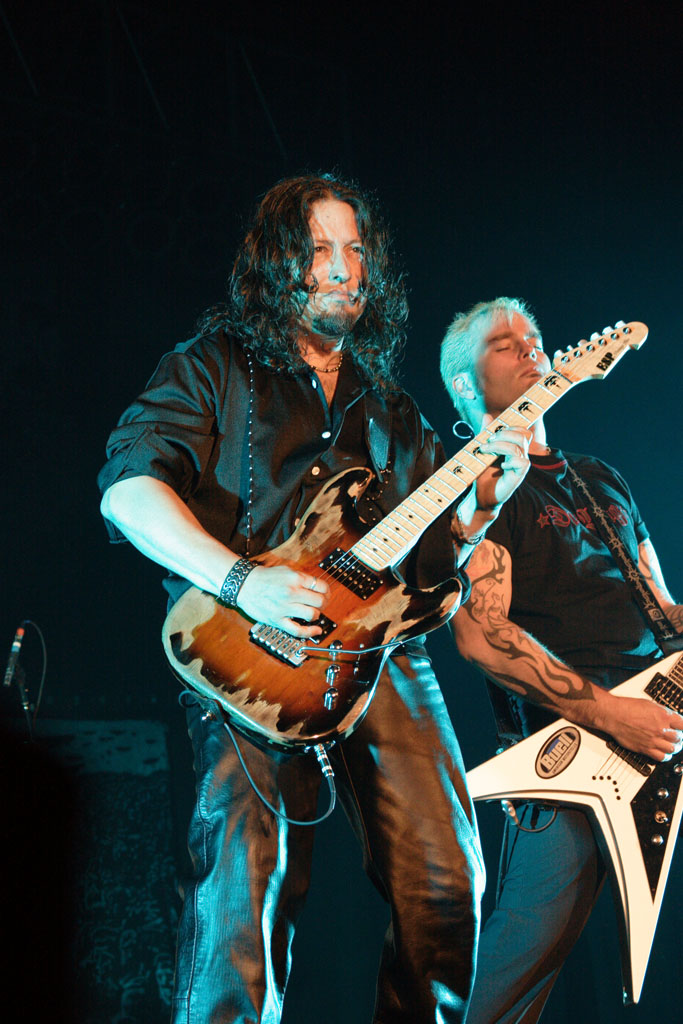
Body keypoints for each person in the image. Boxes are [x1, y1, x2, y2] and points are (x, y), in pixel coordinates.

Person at [98, 176, 531, 1024]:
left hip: (381, 656)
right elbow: (128, 492)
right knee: (245, 895)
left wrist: (479, 510)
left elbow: (429, 575)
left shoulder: (391, 409)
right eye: (320, 249)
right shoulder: (211, 366)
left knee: (448, 887)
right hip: (246, 650)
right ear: (277, 264)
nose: (343, 268)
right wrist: (242, 580)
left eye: (356, 251)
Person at [439, 296, 683, 1023]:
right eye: (504, 344)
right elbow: (480, 635)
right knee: (513, 972)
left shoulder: (600, 477)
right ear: (464, 384)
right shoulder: (476, 491)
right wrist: (612, 715)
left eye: (535, 338)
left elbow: (663, 609)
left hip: (661, 727)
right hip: (569, 756)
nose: (531, 350)